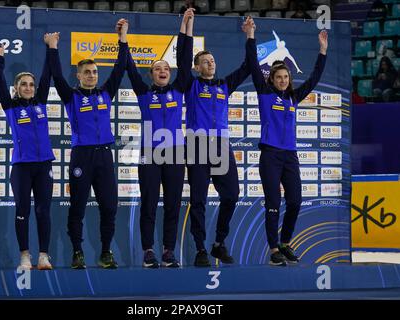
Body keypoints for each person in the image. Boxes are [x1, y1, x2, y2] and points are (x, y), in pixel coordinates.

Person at [45, 19, 129, 269]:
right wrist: (52, 47)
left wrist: (122, 38)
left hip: (105, 156)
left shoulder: (105, 92)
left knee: (109, 207)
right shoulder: (71, 96)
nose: (92, 75)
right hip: (81, 156)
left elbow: (120, 67)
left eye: (94, 72)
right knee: (78, 206)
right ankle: (78, 252)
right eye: (87, 72)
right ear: (79, 76)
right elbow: (57, 75)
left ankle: (105, 252)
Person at [247, 17, 328, 266]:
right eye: (278, 76)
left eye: (286, 76)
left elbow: (314, 78)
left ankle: (285, 242)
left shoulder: (294, 97)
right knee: (273, 203)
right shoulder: (265, 93)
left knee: (294, 201)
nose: (282, 80)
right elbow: (252, 63)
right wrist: (250, 35)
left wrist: (322, 50)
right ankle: (274, 250)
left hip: (290, 156)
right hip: (270, 155)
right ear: (271, 79)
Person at [125, 9, 194, 268]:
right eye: (157, 68)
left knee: (173, 205)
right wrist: (123, 39)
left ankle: (168, 251)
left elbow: (185, 63)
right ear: (152, 74)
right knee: (150, 205)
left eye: (166, 67)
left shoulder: (178, 90)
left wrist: (185, 27)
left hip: (175, 154)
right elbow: (130, 68)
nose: (163, 70)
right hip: (150, 155)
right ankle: (148, 251)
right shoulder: (143, 93)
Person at [183, 15, 254, 267]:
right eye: (205, 61)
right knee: (199, 200)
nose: (210, 63)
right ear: (196, 67)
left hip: (222, 147)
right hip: (198, 146)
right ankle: (201, 248)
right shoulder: (190, 85)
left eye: (212, 60)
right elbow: (182, 60)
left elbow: (248, 66)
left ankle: (218, 243)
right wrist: (188, 27)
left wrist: (249, 36)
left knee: (232, 195)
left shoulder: (224, 85)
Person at [0, 39, 55, 270]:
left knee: (44, 210)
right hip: (22, 166)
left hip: (44, 164)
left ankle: (43, 256)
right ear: (16, 88)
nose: (28, 87)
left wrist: (50, 47)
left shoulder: (41, 103)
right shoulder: (11, 107)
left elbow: (47, 75)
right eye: (23, 84)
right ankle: (25, 255)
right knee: (23, 210)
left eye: (31, 85)